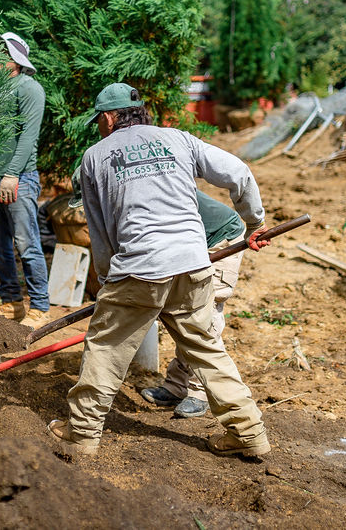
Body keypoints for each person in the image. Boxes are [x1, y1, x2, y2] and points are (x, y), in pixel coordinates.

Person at [48, 83, 272, 459]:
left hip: (140, 266)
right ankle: (249, 432)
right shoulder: (179, 139)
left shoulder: (94, 157)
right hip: (193, 262)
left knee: (105, 348)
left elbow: (100, 235)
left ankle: (82, 434)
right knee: (207, 349)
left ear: (107, 117)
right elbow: (239, 172)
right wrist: (255, 222)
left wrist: (107, 283)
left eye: (98, 121)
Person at [140, 191, 246, 417]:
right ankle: (177, 387)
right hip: (191, 244)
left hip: (220, 239)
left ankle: (200, 392)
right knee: (185, 313)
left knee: (204, 316)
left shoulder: (145, 193)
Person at [0, 32, 50, 328]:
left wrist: (11, 174)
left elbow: (28, 136)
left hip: (19, 179)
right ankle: (12, 301)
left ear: (14, 59)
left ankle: (40, 306)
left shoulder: (29, 88)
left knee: (27, 244)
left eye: (1, 53)